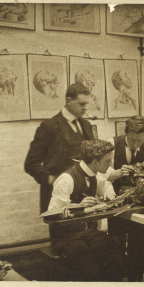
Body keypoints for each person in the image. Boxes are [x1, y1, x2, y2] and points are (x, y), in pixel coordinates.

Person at [47, 140, 126, 281]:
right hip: (66, 238)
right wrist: (78, 206)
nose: (110, 165)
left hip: (88, 233)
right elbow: (51, 215)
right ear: (95, 161)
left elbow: (105, 185)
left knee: (119, 259)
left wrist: (109, 195)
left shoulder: (95, 174)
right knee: (91, 272)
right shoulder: (66, 179)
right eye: (108, 161)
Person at [104, 115, 144, 282]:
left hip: (140, 207)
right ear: (126, 132)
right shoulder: (112, 144)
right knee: (116, 248)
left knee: (139, 247)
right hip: (116, 205)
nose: (136, 144)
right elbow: (101, 174)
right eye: (132, 139)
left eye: (140, 140)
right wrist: (116, 173)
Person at [24, 83, 95, 214]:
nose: (85, 108)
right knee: (62, 232)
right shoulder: (49, 126)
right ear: (69, 100)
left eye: (87, 104)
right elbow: (30, 164)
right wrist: (51, 179)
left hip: (84, 193)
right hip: (59, 193)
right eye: (81, 104)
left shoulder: (86, 125)